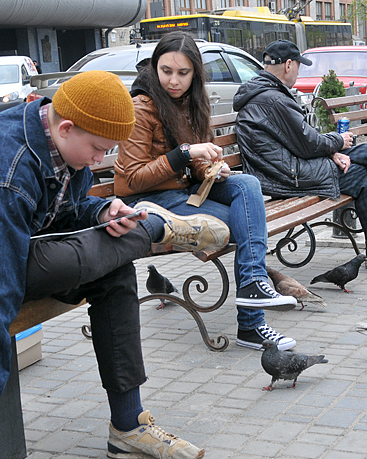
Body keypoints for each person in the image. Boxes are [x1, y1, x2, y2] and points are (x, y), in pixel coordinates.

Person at [0, 71, 231, 459]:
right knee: (95, 257)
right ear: (67, 127)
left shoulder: (54, 138)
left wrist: (101, 210)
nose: (98, 160)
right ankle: (156, 229)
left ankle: (128, 426)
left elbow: (59, 214)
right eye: (97, 149)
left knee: (115, 268)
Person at [113, 31, 299, 352]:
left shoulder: (191, 103)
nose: (174, 80)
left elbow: (197, 161)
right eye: (166, 71)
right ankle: (252, 324)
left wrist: (213, 167)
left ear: (195, 74)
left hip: (185, 193)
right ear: (155, 68)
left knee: (247, 184)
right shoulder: (142, 107)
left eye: (183, 73)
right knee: (246, 221)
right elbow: (128, 181)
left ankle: (254, 287)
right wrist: (185, 154)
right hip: (154, 201)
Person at [233, 39, 367, 270]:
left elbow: (297, 142)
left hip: (288, 169)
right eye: (298, 65)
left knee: (364, 169)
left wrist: (331, 152)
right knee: (364, 165)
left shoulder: (266, 93)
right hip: (288, 177)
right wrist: (337, 142)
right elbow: (307, 143)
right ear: (288, 65)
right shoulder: (273, 99)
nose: (298, 71)